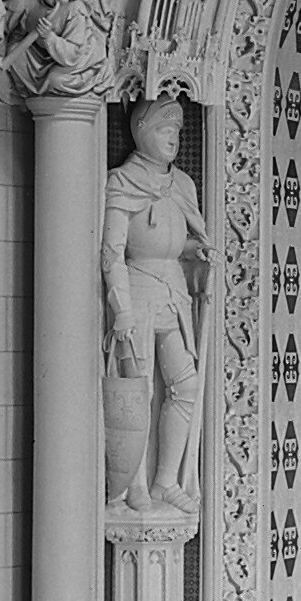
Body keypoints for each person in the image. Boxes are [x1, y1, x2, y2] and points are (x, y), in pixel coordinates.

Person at [102, 98, 209, 514]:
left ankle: (165, 481)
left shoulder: (182, 184)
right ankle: (134, 485)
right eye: (165, 130)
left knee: (186, 386)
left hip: (174, 291)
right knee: (139, 390)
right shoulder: (122, 181)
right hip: (139, 289)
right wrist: (122, 308)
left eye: (178, 132)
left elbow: (176, 240)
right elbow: (112, 252)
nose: (173, 139)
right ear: (142, 131)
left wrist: (197, 251)